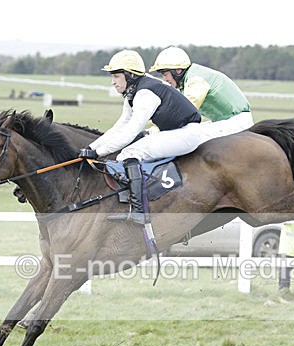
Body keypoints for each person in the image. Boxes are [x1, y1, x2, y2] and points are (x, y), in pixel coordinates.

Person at [79, 50, 203, 225]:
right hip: (176, 132)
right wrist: (91, 148)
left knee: (129, 153)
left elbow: (130, 132)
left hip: (187, 134)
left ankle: (139, 210)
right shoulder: (133, 92)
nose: (113, 81)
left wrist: (99, 152)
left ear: (130, 75)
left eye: (116, 76)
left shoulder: (145, 94)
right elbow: (120, 126)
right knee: (128, 151)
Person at [150, 46, 254, 139]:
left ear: (177, 70)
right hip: (226, 121)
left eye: (165, 74)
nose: (165, 79)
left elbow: (183, 113)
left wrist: (154, 131)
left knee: (190, 138)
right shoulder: (188, 79)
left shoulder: (196, 80)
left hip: (236, 122)